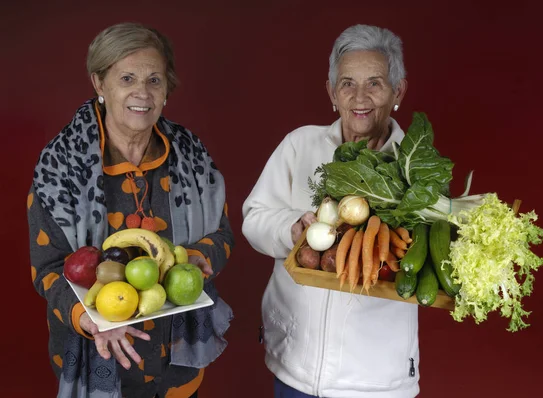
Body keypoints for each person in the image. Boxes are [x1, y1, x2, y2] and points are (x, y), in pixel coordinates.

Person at [27, 22, 234, 398]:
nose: (143, 92)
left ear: (167, 89)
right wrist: (92, 321)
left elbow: (222, 234)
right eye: (127, 78)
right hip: (98, 357)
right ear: (99, 84)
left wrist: (197, 261)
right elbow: (47, 269)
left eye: (155, 80)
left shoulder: (191, 155)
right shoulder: (60, 166)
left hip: (177, 363)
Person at [242, 24, 418, 398]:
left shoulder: (416, 169)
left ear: (397, 91)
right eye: (347, 83)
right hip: (294, 363)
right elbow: (254, 218)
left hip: (374, 379)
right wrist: (290, 230)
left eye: (374, 83)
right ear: (331, 92)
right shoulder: (299, 144)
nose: (359, 97)